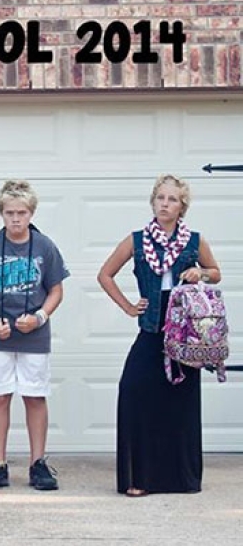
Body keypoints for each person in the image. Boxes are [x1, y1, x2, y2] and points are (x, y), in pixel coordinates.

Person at [97, 174, 221, 497]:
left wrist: (201, 272)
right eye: (160, 198)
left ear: (183, 207)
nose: (165, 204)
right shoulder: (137, 240)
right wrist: (127, 306)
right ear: (153, 201)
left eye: (173, 199)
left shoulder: (194, 240)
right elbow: (105, 274)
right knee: (134, 391)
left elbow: (216, 272)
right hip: (152, 325)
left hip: (185, 330)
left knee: (181, 402)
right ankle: (139, 477)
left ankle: (181, 478)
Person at [0, 180, 69, 491]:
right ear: (1, 213)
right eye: (9, 213)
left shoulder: (45, 246)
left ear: (31, 212)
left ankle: (38, 463)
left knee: (35, 397)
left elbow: (56, 289)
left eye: (21, 212)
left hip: (34, 337)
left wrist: (40, 317)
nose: (16, 219)